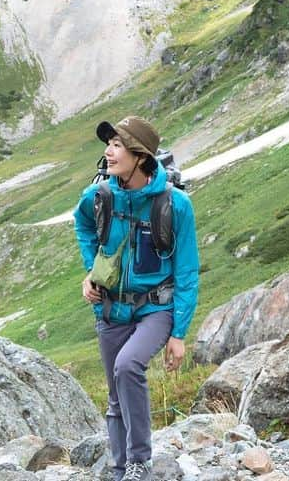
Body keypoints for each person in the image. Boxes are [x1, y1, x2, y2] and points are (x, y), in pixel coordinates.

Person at [74, 116, 200, 481]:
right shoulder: (99, 195)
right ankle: (120, 472)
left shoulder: (175, 205)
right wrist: (92, 271)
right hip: (111, 307)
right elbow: (81, 223)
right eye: (108, 144)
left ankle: (139, 463)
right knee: (115, 398)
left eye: (117, 145)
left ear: (140, 157)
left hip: (156, 308)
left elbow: (187, 271)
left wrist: (178, 333)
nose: (108, 152)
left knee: (128, 365)